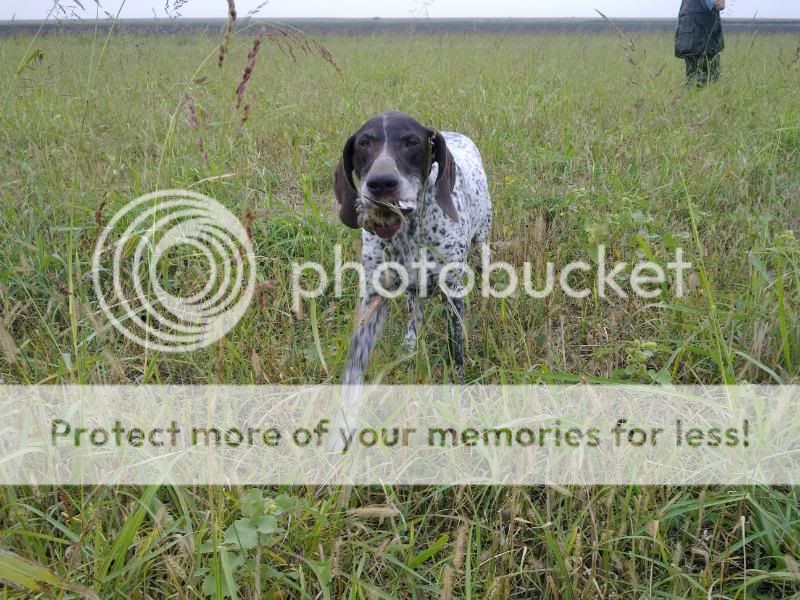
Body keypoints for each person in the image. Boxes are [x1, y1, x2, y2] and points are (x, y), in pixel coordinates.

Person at [675, 0, 725, 86]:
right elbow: (719, 4)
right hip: (703, 42)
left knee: (692, 82)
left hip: (689, 41)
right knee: (708, 83)